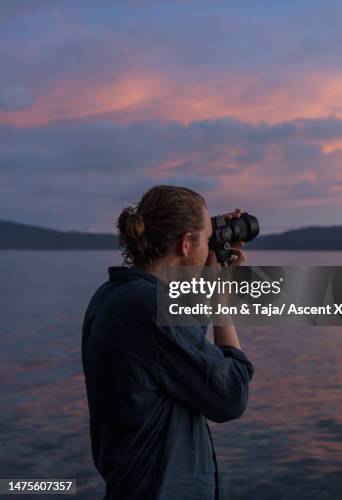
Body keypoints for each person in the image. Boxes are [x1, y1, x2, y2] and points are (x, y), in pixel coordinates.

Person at [81, 185, 255, 500]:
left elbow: (180, 345)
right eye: (204, 238)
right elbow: (232, 394)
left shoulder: (111, 296)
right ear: (186, 243)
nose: (207, 247)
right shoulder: (150, 309)